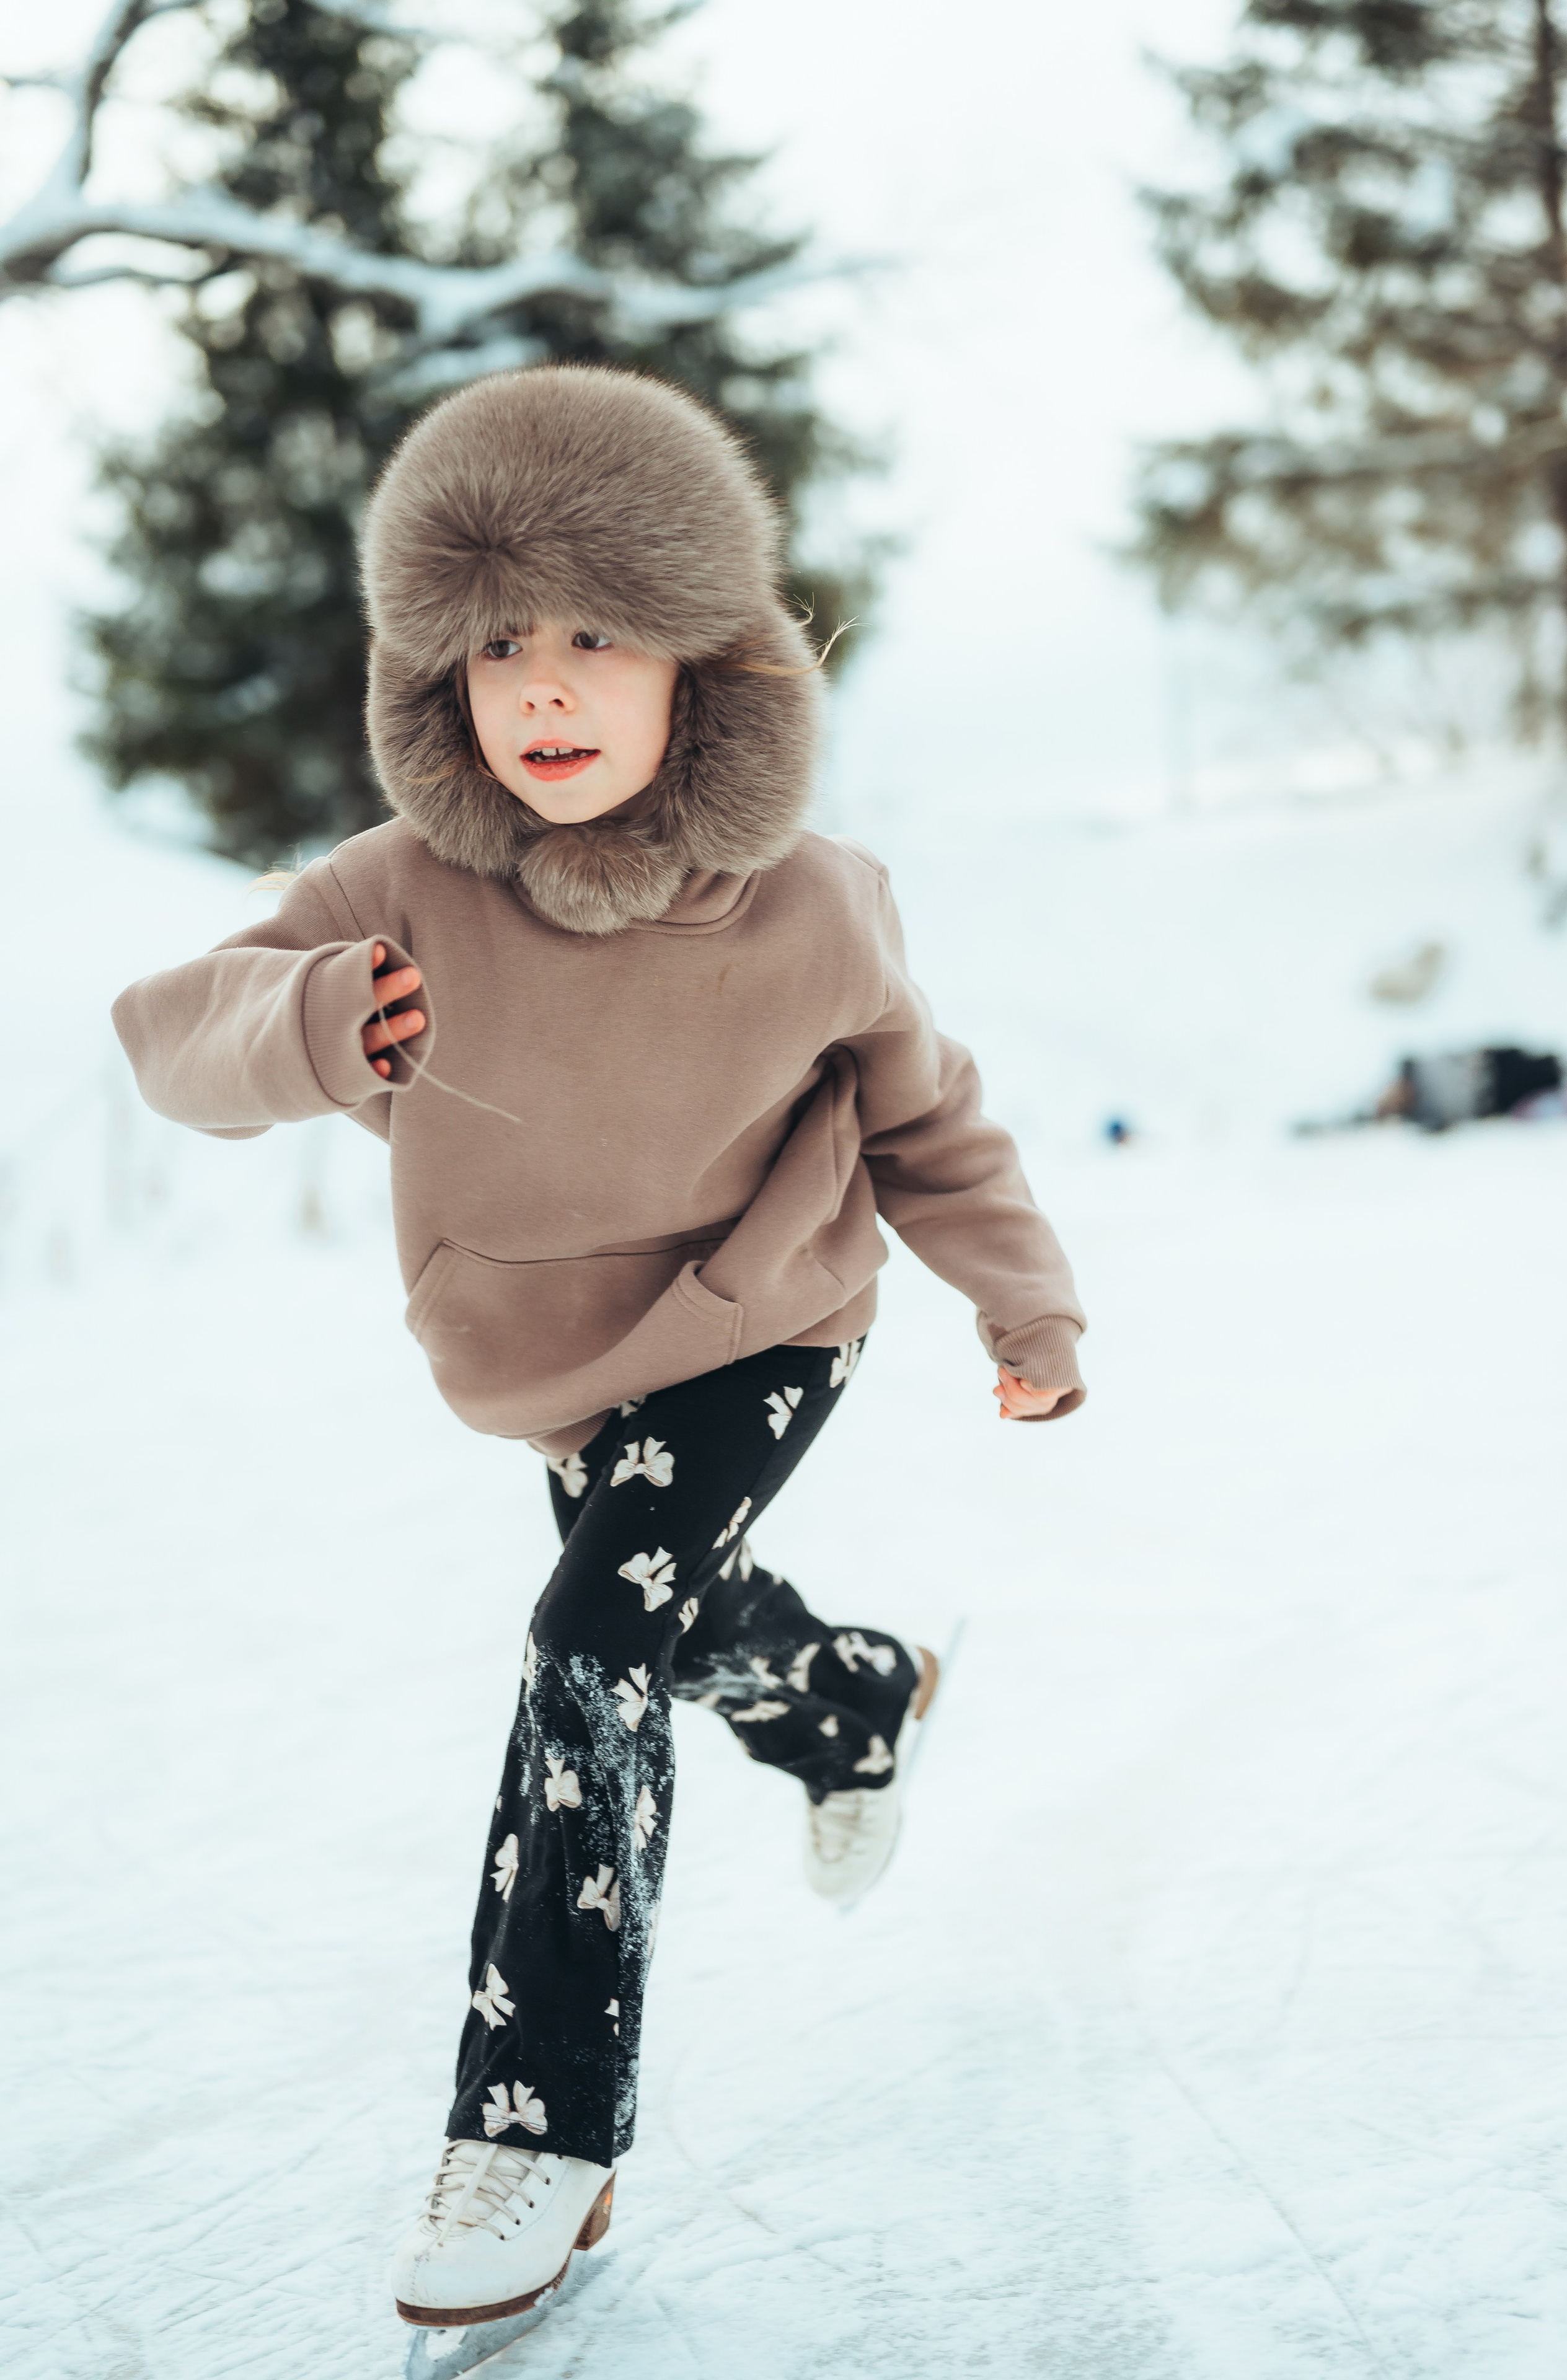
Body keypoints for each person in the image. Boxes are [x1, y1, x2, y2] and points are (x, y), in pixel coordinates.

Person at [112, 366, 1087, 2334]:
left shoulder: (815, 904)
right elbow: (171, 1034)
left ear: (701, 667)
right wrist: (309, 1025)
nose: (541, 687)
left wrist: (1026, 1300)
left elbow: (927, 1123)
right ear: (434, 682)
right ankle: (842, 1692)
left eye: (595, 636)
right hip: (554, 1354)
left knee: (587, 1647)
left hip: (768, 1317)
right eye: (493, 646)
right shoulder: (402, 894)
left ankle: (540, 2126)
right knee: (668, 1617)